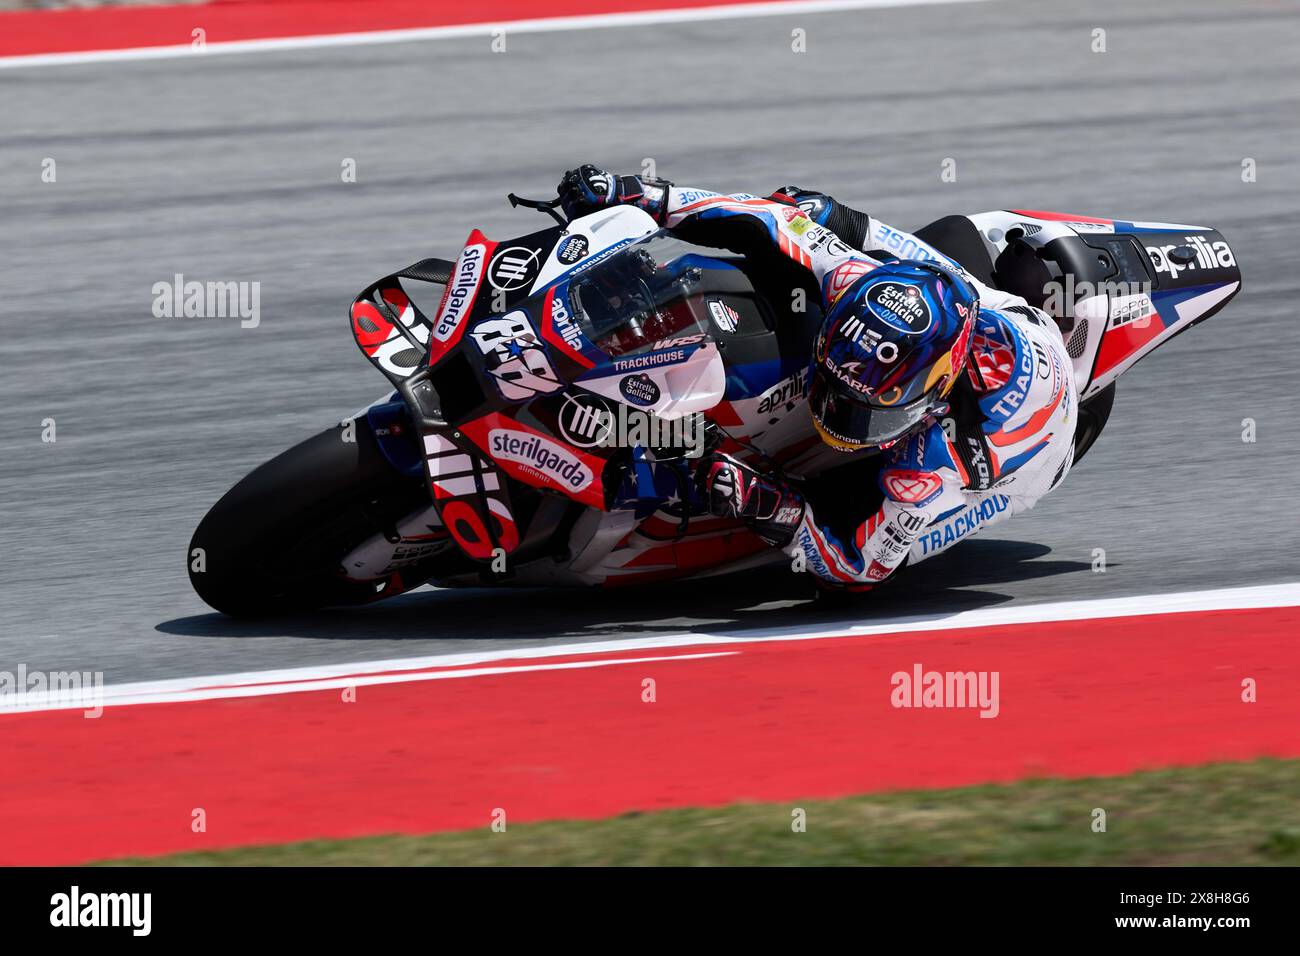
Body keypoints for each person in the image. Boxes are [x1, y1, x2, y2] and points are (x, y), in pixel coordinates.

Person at [557, 165, 1077, 591]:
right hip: (983, 310)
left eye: (858, 407)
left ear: (932, 396)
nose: (829, 411)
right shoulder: (855, 278)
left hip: (1023, 456)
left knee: (848, 533)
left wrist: (773, 507)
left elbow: (860, 566)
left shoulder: (938, 465)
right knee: (809, 209)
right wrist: (645, 196)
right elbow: (768, 219)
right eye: (835, 391)